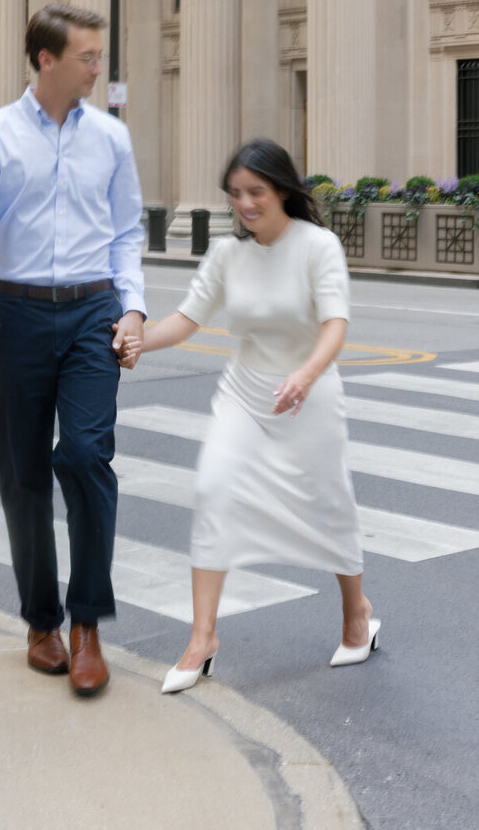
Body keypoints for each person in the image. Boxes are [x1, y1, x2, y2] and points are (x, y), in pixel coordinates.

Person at [121, 138, 379, 693]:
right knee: (213, 490)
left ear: (282, 189)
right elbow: (188, 320)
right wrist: (138, 341)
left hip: (308, 397)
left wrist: (306, 376)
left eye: (255, 191)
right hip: (245, 394)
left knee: (329, 504)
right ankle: (202, 637)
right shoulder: (226, 255)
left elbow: (335, 324)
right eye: (235, 193)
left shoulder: (318, 246)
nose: (244, 203)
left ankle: (357, 613)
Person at [0, 2, 146, 696]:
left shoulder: (111, 139)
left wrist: (134, 309)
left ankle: (87, 623)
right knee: (24, 475)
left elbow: (127, 234)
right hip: (20, 314)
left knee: (88, 457)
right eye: (87, 56)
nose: (98, 67)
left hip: (93, 310)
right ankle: (41, 621)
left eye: (98, 55)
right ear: (46, 60)